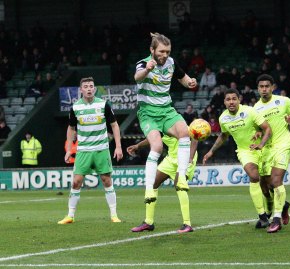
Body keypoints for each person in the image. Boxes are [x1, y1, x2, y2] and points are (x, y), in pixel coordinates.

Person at [134, 33, 197, 207]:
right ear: (152, 50)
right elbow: (137, 77)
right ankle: (148, 188)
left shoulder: (171, 63)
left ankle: (182, 177)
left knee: (185, 133)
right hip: (148, 113)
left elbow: (183, 79)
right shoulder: (143, 63)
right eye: (161, 51)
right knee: (157, 146)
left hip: (166, 110)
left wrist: (190, 82)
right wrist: (147, 69)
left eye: (168, 51)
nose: (165, 55)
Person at [203, 88, 273, 229]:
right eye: (228, 99)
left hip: (263, 149)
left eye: (234, 99)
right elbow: (223, 135)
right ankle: (262, 216)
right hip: (245, 151)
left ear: (239, 99)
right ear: (224, 102)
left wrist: (261, 144)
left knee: (268, 186)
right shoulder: (223, 118)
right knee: (254, 176)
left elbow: (267, 128)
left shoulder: (250, 111)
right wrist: (211, 151)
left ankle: (271, 205)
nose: (231, 102)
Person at [57, 77, 123, 224]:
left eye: (91, 86)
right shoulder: (75, 108)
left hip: (101, 149)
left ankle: (114, 215)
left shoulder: (103, 104)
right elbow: (71, 128)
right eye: (85, 86)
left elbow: (114, 125)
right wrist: (68, 149)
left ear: (94, 89)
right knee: (76, 182)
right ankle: (70, 216)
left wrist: (118, 146)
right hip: (84, 150)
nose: (88, 88)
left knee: (106, 181)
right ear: (81, 89)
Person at [128, 135, 198, 233]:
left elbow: (195, 137)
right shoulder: (160, 126)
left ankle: (187, 224)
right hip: (171, 158)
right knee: (152, 184)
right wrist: (138, 146)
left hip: (186, 157)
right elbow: (153, 137)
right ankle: (148, 222)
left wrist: (190, 157)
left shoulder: (177, 122)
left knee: (179, 186)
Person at [254, 74, 290, 233]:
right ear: (258, 89)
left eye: (267, 86)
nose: (264, 89)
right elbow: (258, 129)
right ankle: (282, 206)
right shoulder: (255, 108)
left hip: (283, 144)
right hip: (266, 148)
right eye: (261, 87)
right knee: (265, 184)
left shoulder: (284, 101)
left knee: (276, 180)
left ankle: (276, 218)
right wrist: (257, 134)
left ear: (273, 87)